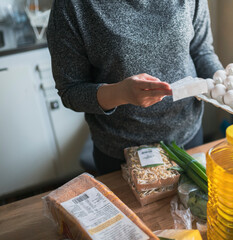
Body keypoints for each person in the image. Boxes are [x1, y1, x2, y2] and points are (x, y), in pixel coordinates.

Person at [47, 0, 223, 175]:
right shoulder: (72, 5)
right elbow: (70, 90)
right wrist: (120, 93)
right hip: (121, 152)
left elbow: (201, 51)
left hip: (187, 135)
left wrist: (226, 85)